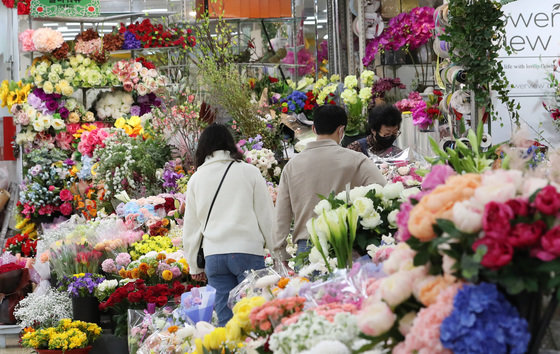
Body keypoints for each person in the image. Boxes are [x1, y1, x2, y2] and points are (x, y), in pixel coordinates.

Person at [182, 124, 276, 326]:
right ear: (230, 144)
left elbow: (191, 226)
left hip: (214, 256)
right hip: (247, 252)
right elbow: (266, 215)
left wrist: (194, 264)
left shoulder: (196, 178)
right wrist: (277, 251)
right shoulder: (249, 172)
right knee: (254, 318)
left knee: (226, 321)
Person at [273, 105, 387, 262]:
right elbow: (383, 191)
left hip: (306, 248)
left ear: (313, 128)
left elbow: (281, 215)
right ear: (341, 130)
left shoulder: (292, 166)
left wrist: (280, 253)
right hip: (345, 246)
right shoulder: (356, 160)